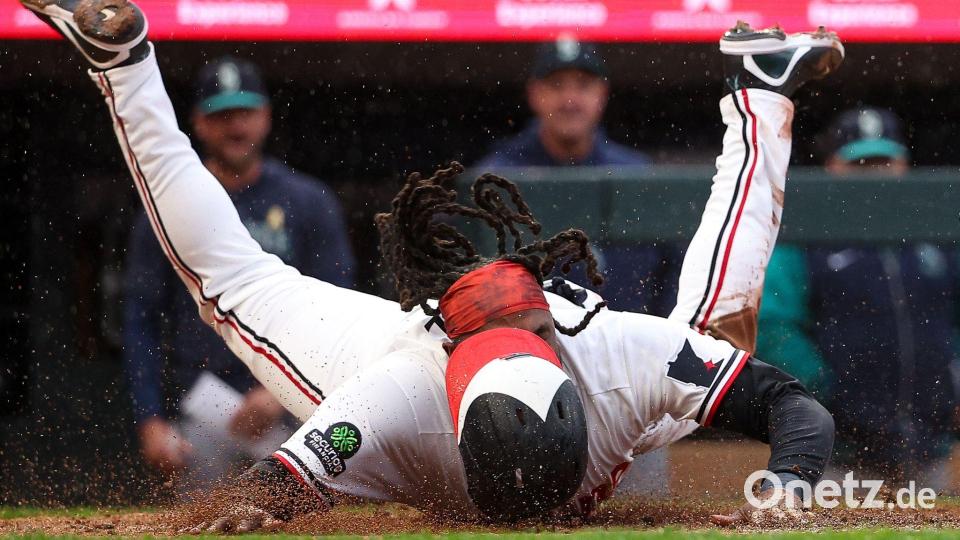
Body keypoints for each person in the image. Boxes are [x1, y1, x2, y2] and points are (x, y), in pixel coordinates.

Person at [23, 0, 843, 530]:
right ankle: (126, 66)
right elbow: (280, 482)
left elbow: (792, 407)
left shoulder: (622, 358)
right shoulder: (394, 398)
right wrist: (249, 508)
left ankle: (761, 91)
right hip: (386, 346)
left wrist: (792, 487)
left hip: (558, 363)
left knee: (709, 335)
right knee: (232, 279)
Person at [122, 55, 357, 487]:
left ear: (266, 116)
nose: (236, 127)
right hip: (198, 409)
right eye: (222, 115)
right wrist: (150, 418)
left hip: (293, 412)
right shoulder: (171, 209)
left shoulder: (307, 202)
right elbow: (141, 320)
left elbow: (339, 312)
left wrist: (279, 392)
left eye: (245, 113)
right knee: (198, 523)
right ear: (198, 123)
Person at [757, 107, 957, 490]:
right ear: (833, 166)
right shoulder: (806, 235)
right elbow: (774, 326)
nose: (875, 174)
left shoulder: (934, 232)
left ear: (904, 166)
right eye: (862, 163)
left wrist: (952, 380)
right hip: (839, 454)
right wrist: (828, 394)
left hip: (930, 448)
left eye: (884, 162)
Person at [474, 38, 678, 319]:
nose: (570, 100)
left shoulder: (636, 173)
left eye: (583, 85)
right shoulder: (497, 179)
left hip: (624, 345)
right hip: (530, 347)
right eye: (556, 85)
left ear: (602, 93)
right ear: (534, 93)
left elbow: (671, 274)